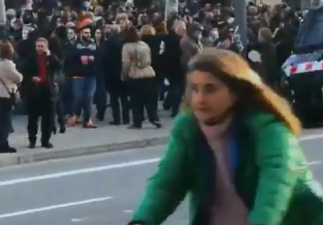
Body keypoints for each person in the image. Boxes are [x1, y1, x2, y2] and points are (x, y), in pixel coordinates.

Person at [129, 49, 323, 225]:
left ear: (236, 91)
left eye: (210, 88)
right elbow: (167, 183)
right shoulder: (188, 129)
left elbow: (275, 190)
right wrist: (142, 221)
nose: (200, 99)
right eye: (195, 88)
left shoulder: (269, 128)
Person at [21, 37, 62, 148]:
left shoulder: (50, 58)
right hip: (34, 90)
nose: (39, 49)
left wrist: (50, 56)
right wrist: (32, 78)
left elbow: (59, 67)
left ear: (46, 47)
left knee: (47, 118)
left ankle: (45, 140)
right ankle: (32, 140)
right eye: (38, 46)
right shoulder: (31, 58)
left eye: (41, 46)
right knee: (33, 118)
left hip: (47, 90)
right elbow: (24, 72)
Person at [122, 26, 161, 129]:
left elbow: (126, 63)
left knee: (136, 100)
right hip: (149, 72)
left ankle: (137, 121)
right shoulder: (144, 45)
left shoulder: (127, 47)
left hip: (136, 74)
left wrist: (124, 75)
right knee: (150, 99)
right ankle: (154, 118)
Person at [0, 41, 23, 153]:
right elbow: (18, 78)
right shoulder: (8, 64)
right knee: (5, 119)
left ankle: (2, 141)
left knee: (2, 118)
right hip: (6, 93)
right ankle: (3, 143)